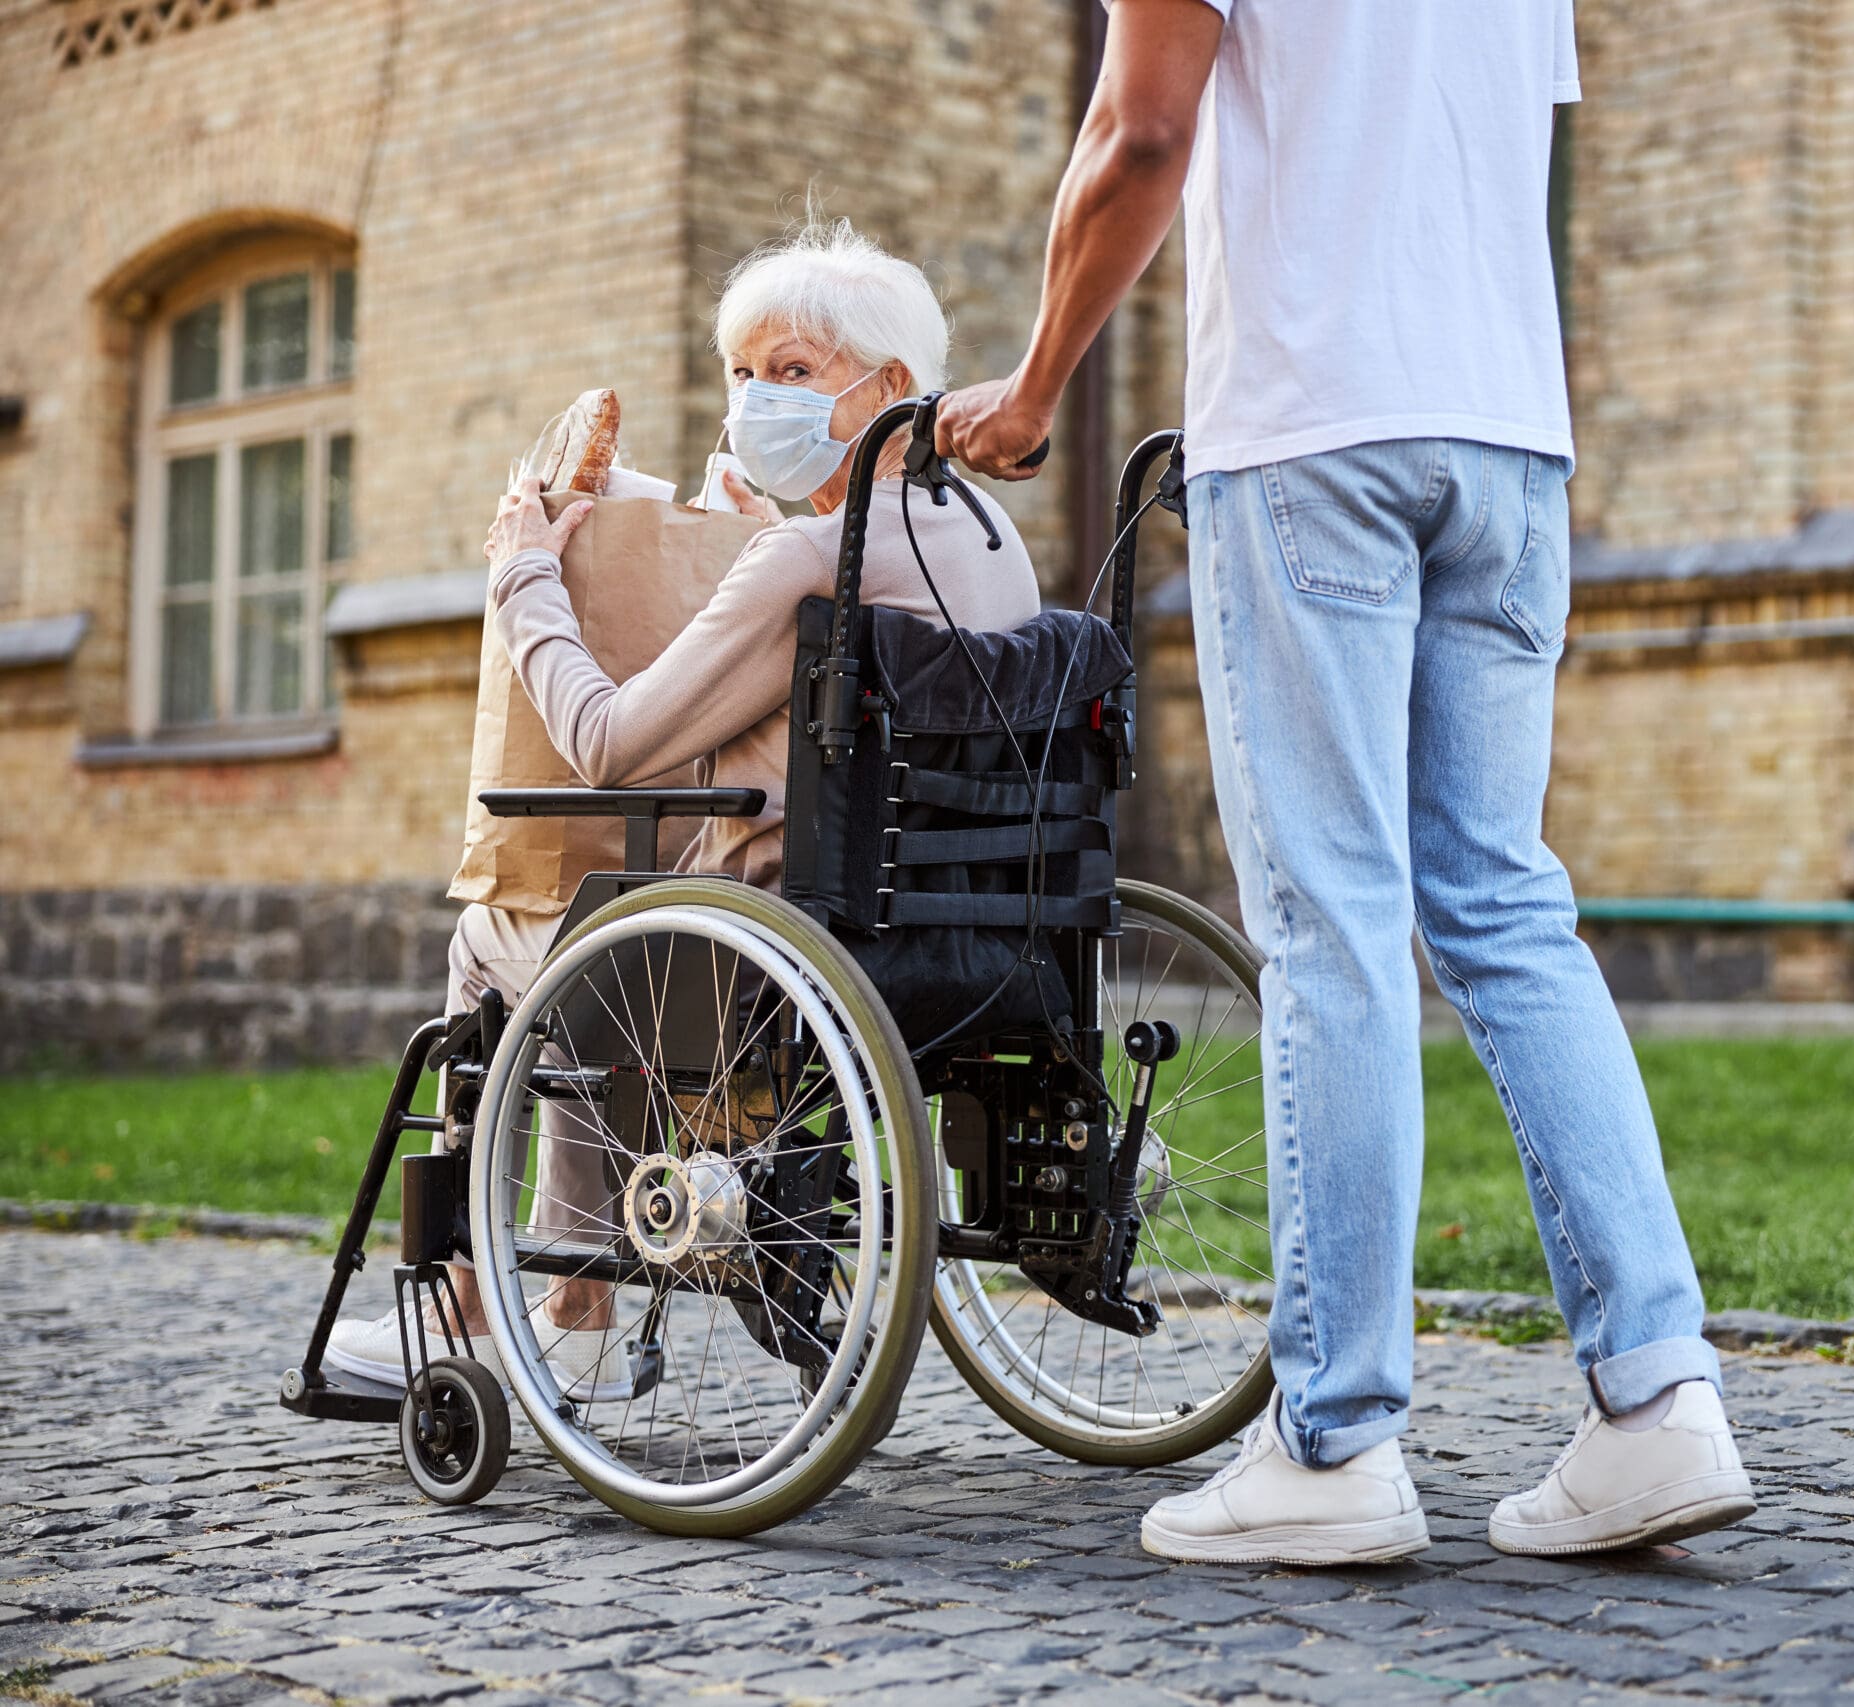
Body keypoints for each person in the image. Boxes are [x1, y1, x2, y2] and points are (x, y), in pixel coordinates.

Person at [938, 0, 1757, 1562]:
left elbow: (1141, 133)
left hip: (1319, 432)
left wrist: (1038, 379)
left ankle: (1335, 1440)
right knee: (1507, 906)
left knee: (1333, 922)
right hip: (1511, 441)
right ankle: (1660, 1400)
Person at [325, 221, 1040, 1398]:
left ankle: (479, 1303)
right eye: (740, 373)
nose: (754, 397)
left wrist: (523, 578)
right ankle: (574, 1302)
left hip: (765, 956)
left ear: (893, 388)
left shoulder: (802, 563)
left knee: (506, 938)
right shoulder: (983, 538)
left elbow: (607, 741)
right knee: (598, 927)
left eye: (793, 371)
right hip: (973, 933)